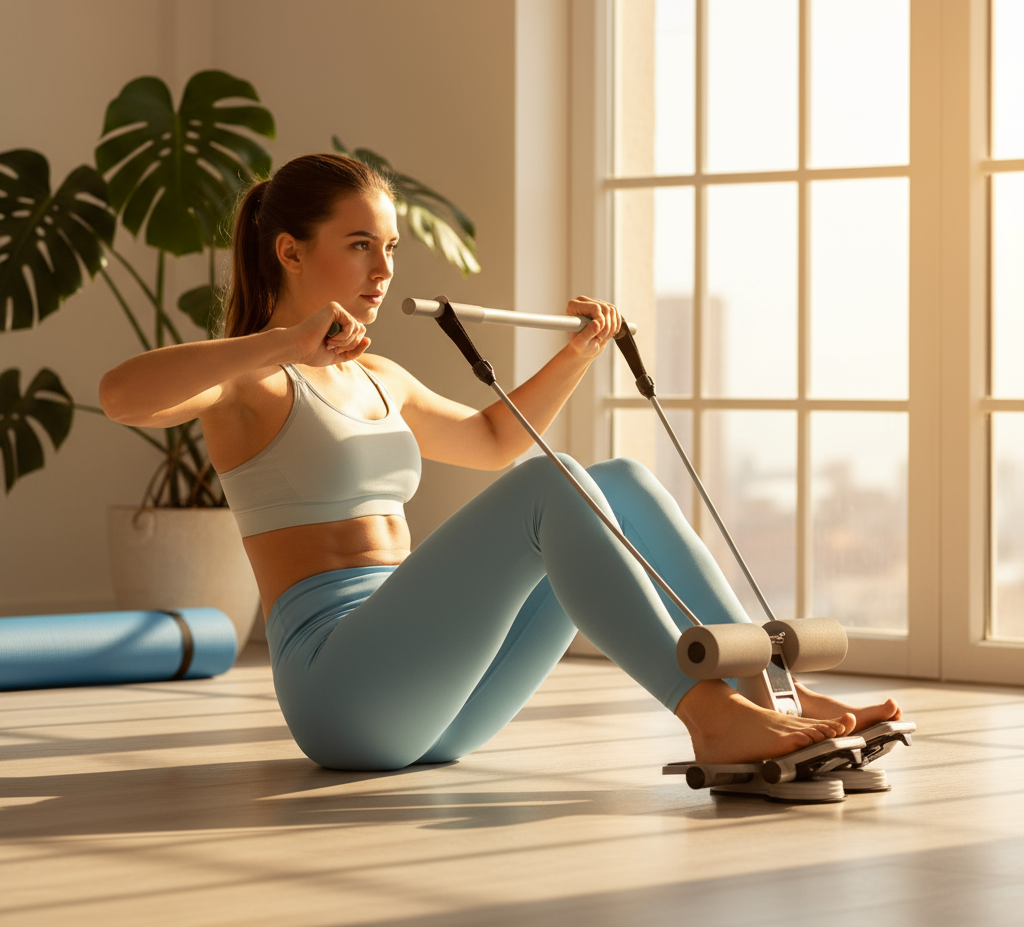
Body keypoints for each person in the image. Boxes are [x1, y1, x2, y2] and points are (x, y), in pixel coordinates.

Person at [99, 153, 901, 772]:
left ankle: (768, 688)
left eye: (390, 248)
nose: (383, 269)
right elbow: (120, 395)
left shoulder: (379, 377)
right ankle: (707, 715)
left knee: (616, 481)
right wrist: (281, 341)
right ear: (291, 252)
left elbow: (493, 441)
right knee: (556, 487)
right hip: (340, 691)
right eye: (360, 246)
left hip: (436, 702)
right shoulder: (250, 381)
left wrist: (579, 353)